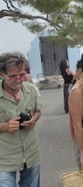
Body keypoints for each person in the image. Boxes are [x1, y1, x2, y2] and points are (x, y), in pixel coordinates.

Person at [0, 52, 42, 187]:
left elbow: (38, 110)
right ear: (2, 74)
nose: (18, 79)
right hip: (5, 158)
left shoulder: (30, 89)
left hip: (31, 152)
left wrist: (34, 119)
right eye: (13, 76)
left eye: (22, 74)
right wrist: (5, 126)